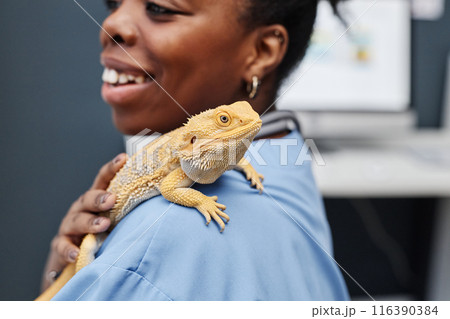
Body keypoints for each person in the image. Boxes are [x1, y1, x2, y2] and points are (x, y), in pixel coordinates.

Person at [40, 0, 349, 300]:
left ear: (261, 52)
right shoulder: (286, 153)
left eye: (160, 8)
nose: (110, 24)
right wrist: (67, 277)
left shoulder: (153, 243)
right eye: (114, 3)